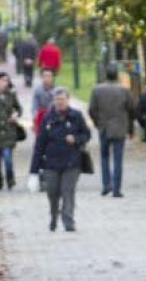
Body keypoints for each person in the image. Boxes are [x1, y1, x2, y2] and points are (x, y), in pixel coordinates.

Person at [29, 88, 91, 232]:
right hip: (51, 163)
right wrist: (33, 171)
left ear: (68, 100)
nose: (60, 102)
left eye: (62, 99)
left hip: (72, 162)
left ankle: (68, 220)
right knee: (52, 192)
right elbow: (40, 144)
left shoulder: (76, 116)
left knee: (68, 191)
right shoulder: (48, 118)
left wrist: (76, 139)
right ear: (53, 101)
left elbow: (86, 135)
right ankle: (53, 216)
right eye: (57, 100)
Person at [89, 63, 133, 198]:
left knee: (104, 157)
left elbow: (92, 110)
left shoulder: (97, 90)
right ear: (117, 75)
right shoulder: (124, 91)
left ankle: (106, 184)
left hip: (104, 127)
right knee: (118, 158)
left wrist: (97, 123)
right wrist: (129, 128)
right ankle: (116, 188)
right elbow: (130, 110)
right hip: (119, 127)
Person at [32, 69, 57, 135]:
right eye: (44, 76)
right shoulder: (38, 90)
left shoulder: (58, 90)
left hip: (54, 116)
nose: (46, 78)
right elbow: (34, 105)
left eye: (49, 76)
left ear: (53, 77)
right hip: (41, 116)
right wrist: (35, 117)